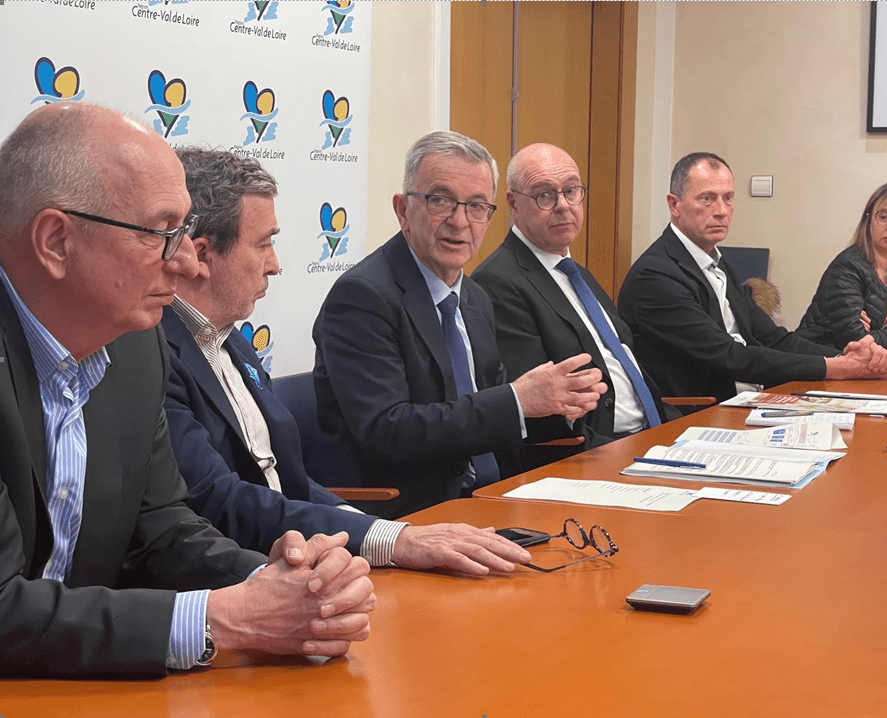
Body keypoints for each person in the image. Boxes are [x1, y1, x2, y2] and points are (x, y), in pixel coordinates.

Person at [0, 103, 375, 677]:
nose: (184, 264)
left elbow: (158, 528)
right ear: (55, 240)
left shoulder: (134, 347)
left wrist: (279, 583)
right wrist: (223, 620)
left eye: (185, 232)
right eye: (160, 233)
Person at [164, 147, 530, 575]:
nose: (276, 265)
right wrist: (387, 538)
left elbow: (289, 479)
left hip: (313, 546)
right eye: (263, 244)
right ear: (202, 255)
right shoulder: (157, 356)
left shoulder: (228, 339)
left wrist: (374, 530)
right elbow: (219, 499)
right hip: (244, 573)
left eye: (476, 207)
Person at [313, 131, 607, 518]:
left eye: (477, 206)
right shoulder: (363, 297)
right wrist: (518, 401)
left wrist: (557, 406)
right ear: (403, 209)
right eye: (440, 201)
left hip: (492, 500)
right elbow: (387, 431)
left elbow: (490, 413)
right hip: (408, 513)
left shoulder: (473, 298)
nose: (459, 221)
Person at [617, 152, 887, 403]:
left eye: (728, 198)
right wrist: (838, 367)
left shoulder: (717, 261)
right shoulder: (655, 276)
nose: (721, 211)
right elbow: (729, 356)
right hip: (697, 412)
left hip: (750, 398)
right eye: (707, 199)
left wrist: (845, 357)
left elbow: (774, 338)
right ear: (674, 205)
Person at [472, 143, 674, 469]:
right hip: (592, 455)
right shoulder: (499, 282)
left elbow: (627, 367)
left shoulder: (575, 273)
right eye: (544, 195)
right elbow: (543, 415)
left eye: (571, 191)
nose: (563, 206)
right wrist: (633, 457)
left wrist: (681, 437)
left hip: (650, 439)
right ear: (513, 203)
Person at [795, 182, 887, 353]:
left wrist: (872, 335)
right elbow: (853, 340)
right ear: (868, 220)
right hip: (819, 361)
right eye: (883, 217)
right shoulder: (847, 267)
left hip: (868, 366)